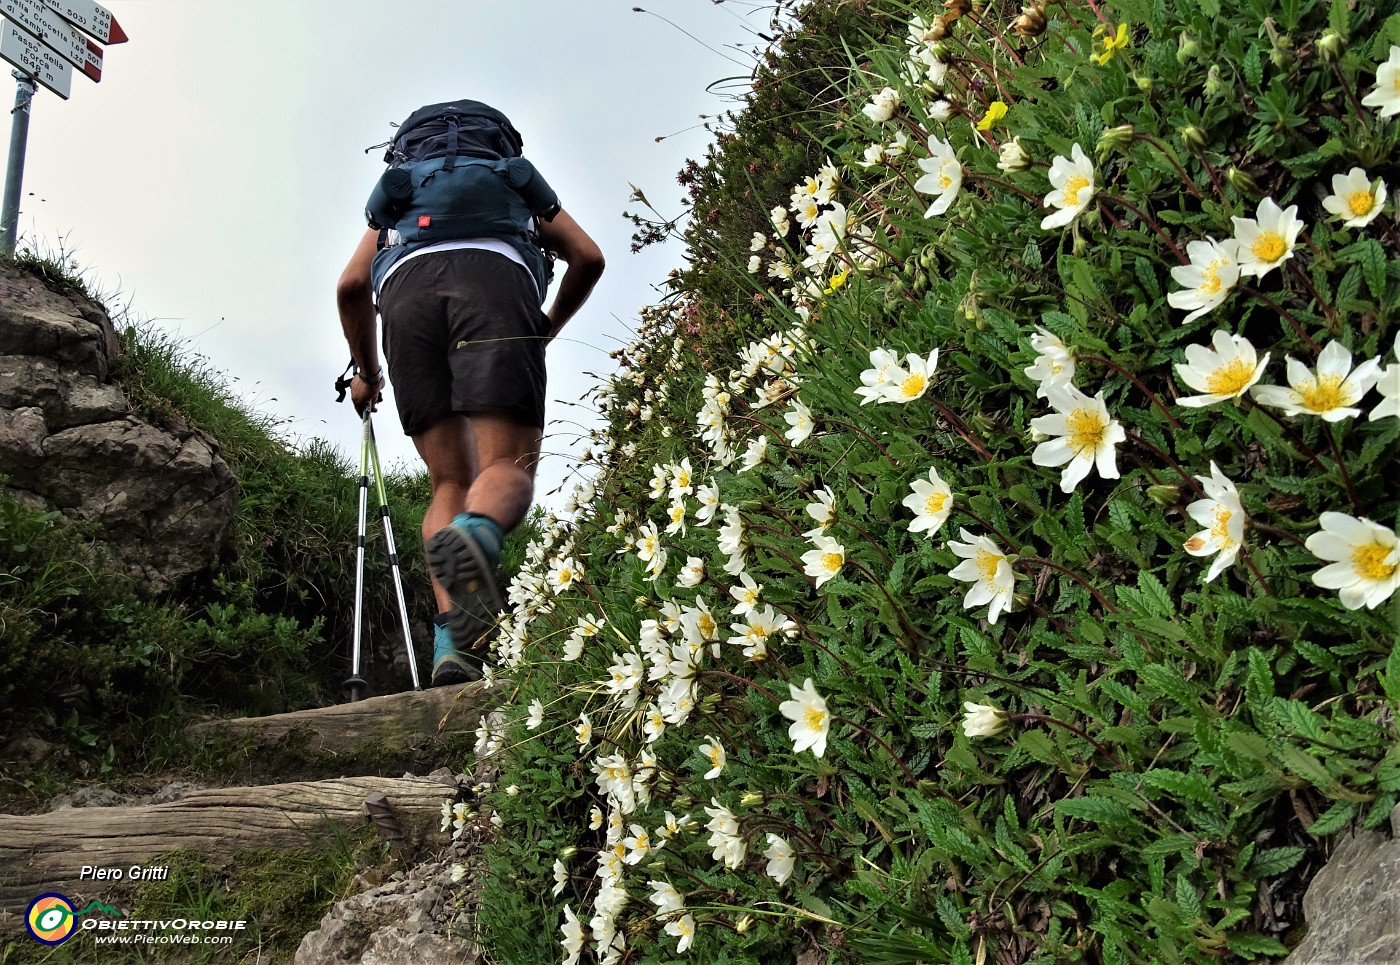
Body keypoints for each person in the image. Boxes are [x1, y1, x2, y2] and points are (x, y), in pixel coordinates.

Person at [336, 160, 604, 687]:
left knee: (450, 482)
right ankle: (474, 535)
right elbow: (588, 258)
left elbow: (350, 288)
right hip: (496, 286)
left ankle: (452, 644)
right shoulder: (510, 186)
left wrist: (367, 373)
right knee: (506, 464)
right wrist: (541, 331)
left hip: (404, 300)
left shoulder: (399, 208)